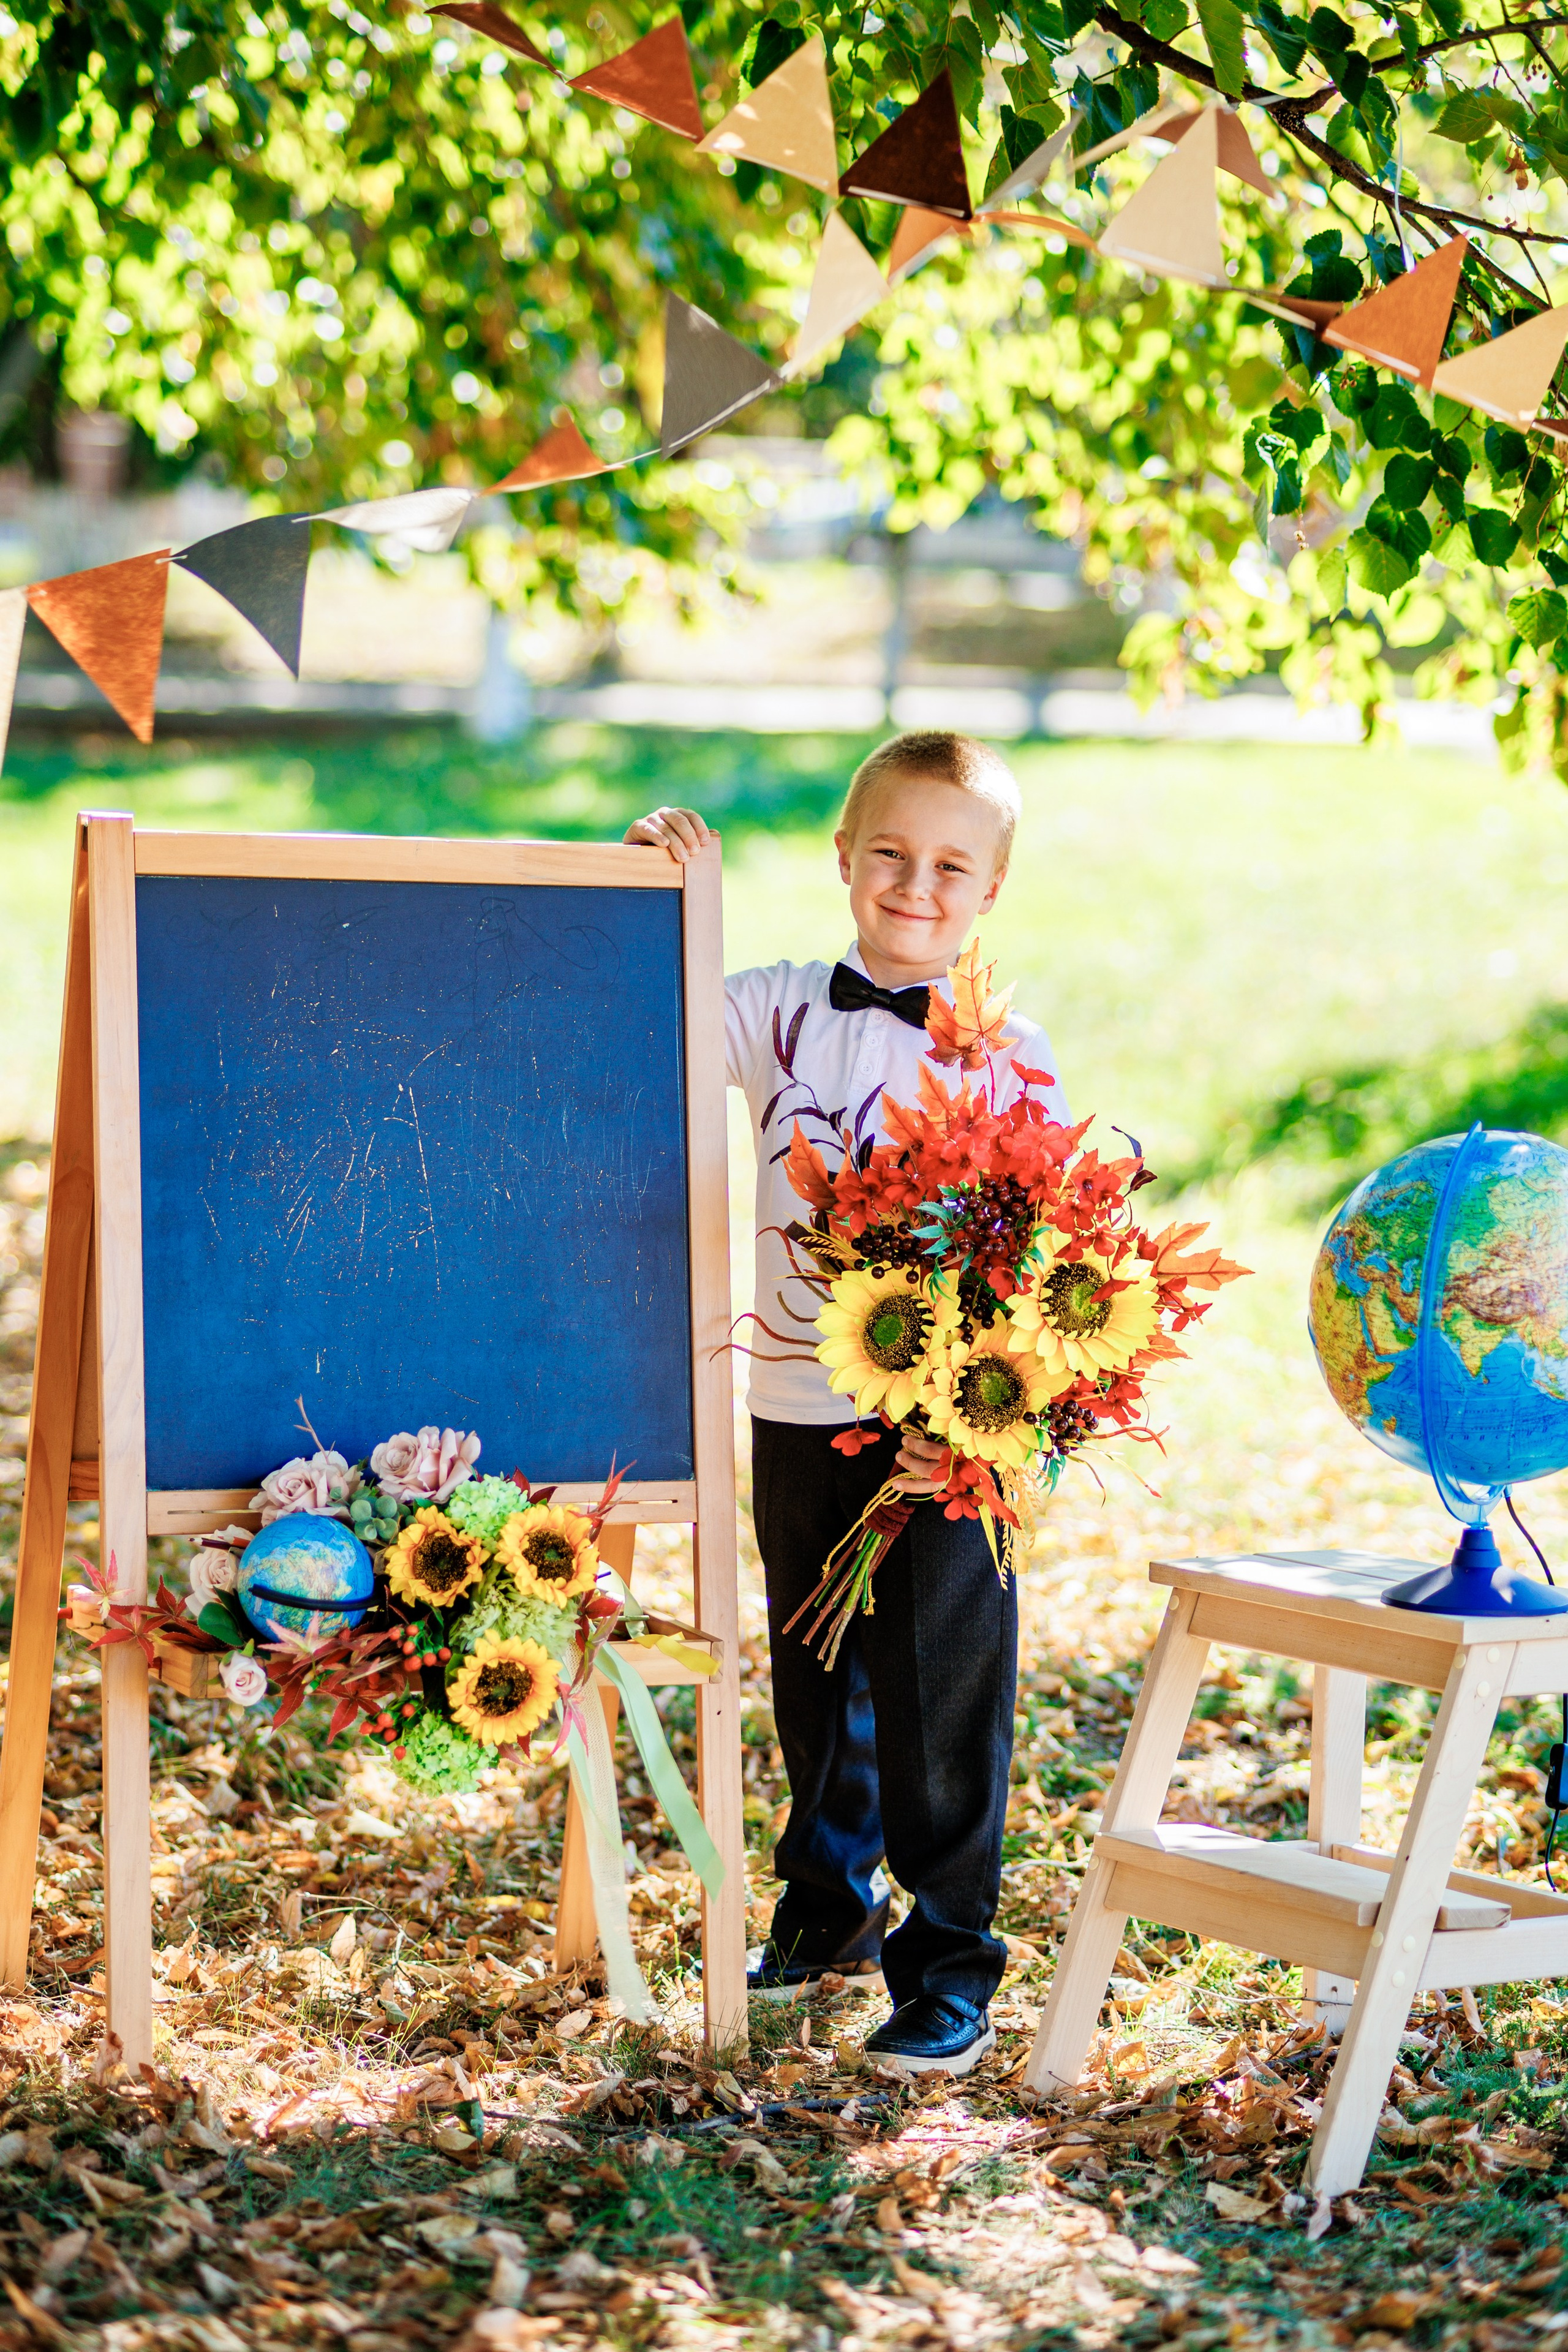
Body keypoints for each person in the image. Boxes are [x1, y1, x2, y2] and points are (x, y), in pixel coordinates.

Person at [625, 729, 1070, 2075]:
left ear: (990, 888)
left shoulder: (1009, 1053)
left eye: (948, 864)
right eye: (888, 852)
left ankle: (948, 1965)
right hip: (787, 1395)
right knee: (816, 1681)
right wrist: (657, 893)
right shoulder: (776, 1009)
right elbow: (649, 1026)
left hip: (941, 1430)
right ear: (841, 856)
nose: (913, 884)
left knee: (937, 1689)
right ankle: (824, 1916)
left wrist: (984, 1414)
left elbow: (1050, 1245)